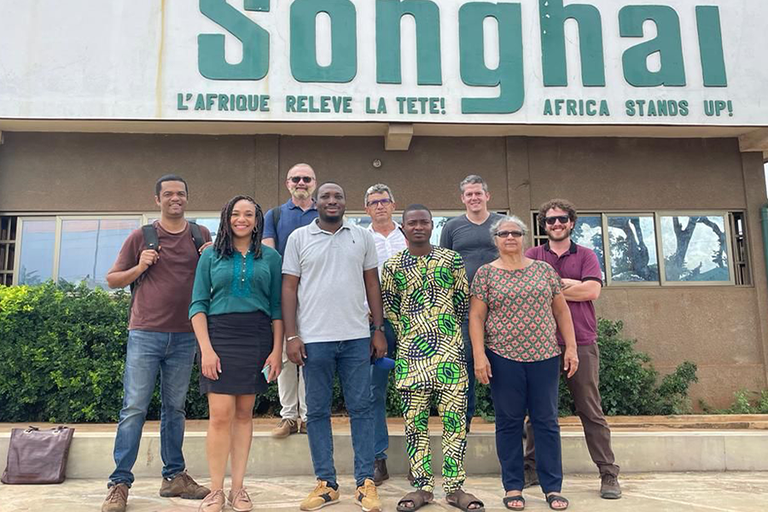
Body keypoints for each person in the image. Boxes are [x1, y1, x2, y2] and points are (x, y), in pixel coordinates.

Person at [102, 175, 212, 512]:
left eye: (180, 194)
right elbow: (112, 280)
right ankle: (119, 483)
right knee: (134, 408)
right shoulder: (143, 236)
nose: (175, 199)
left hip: (185, 335)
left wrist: (211, 257)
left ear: (187, 198)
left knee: (175, 409)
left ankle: (174, 476)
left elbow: (213, 279)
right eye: (168, 194)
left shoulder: (200, 235)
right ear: (157, 200)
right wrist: (140, 266)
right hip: (145, 333)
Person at [282, 182, 387, 512]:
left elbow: (372, 282)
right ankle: (326, 484)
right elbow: (288, 288)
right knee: (316, 412)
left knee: (362, 409)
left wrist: (378, 329)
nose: (331, 201)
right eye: (325, 196)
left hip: (356, 337)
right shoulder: (299, 238)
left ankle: (364, 483)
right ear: (317, 202)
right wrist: (291, 335)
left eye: (338, 196)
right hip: (314, 340)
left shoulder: (362, 236)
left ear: (345, 202)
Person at [469, 215, 578, 511]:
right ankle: (513, 485)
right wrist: (479, 356)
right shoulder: (486, 274)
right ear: (495, 240)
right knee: (508, 423)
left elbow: (562, 312)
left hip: (544, 356)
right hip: (503, 358)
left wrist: (571, 348)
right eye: (503, 233)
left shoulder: (544, 270)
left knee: (546, 422)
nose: (510, 238)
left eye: (515, 233)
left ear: (524, 237)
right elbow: (476, 317)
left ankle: (552, 487)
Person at [382, 204, 485, 512]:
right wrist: (413, 334)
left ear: (432, 226)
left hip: (450, 355)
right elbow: (390, 308)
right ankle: (422, 487)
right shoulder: (392, 266)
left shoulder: (451, 259)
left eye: (423, 222)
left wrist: (441, 331)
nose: (418, 227)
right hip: (411, 357)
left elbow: (461, 302)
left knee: (455, 423)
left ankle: (455, 488)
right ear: (403, 228)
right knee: (415, 426)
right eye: (411, 223)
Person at [189, 196, 284, 512]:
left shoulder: (270, 257)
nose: (241, 219)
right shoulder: (211, 255)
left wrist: (276, 349)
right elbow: (198, 304)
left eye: (248, 214)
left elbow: (275, 308)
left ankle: (238, 489)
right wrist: (206, 349)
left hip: (256, 337)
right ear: (226, 218)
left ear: (257, 220)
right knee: (219, 416)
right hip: (220, 336)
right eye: (235, 214)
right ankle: (215, 490)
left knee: (244, 415)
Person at [524, 199, 622, 500]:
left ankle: (608, 474)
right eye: (551, 220)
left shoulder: (587, 255)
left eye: (562, 219)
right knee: (538, 411)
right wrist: (568, 285)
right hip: (541, 344)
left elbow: (592, 291)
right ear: (544, 225)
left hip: (581, 342)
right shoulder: (532, 255)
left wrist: (554, 288)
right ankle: (530, 468)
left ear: (571, 222)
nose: (556, 224)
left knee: (590, 410)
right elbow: (528, 292)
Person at [440, 175, 503, 431]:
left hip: (501, 308)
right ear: (462, 198)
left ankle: (508, 421)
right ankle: (463, 424)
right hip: (464, 309)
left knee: (503, 364)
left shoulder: (502, 223)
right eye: (469, 194)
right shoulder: (452, 227)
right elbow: (443, 265)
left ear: (487, 196)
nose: (474, 198)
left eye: (478, 193)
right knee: (466, 365)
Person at [263, 163, 319, 438]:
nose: (301, 182)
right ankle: (289, 417)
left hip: (318, 296)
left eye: (306, 178)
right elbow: (270, 256)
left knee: (311, 355)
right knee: (286, 356)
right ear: (287, 183)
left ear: (314, 183)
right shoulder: (274, 215)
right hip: (285, 293)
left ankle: (309, 416)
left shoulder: (326, 213)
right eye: (295, 178)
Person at [363, 183, 408, 485]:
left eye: (384, 201)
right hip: (371, 324)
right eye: (373, 202)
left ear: (393, 205)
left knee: (415, 390)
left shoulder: (409, 235)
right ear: (366, 209)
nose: (379, 206)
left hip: (410, 325)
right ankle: (379, 458)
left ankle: (419, 461)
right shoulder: (358, 237)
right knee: (372, 392)